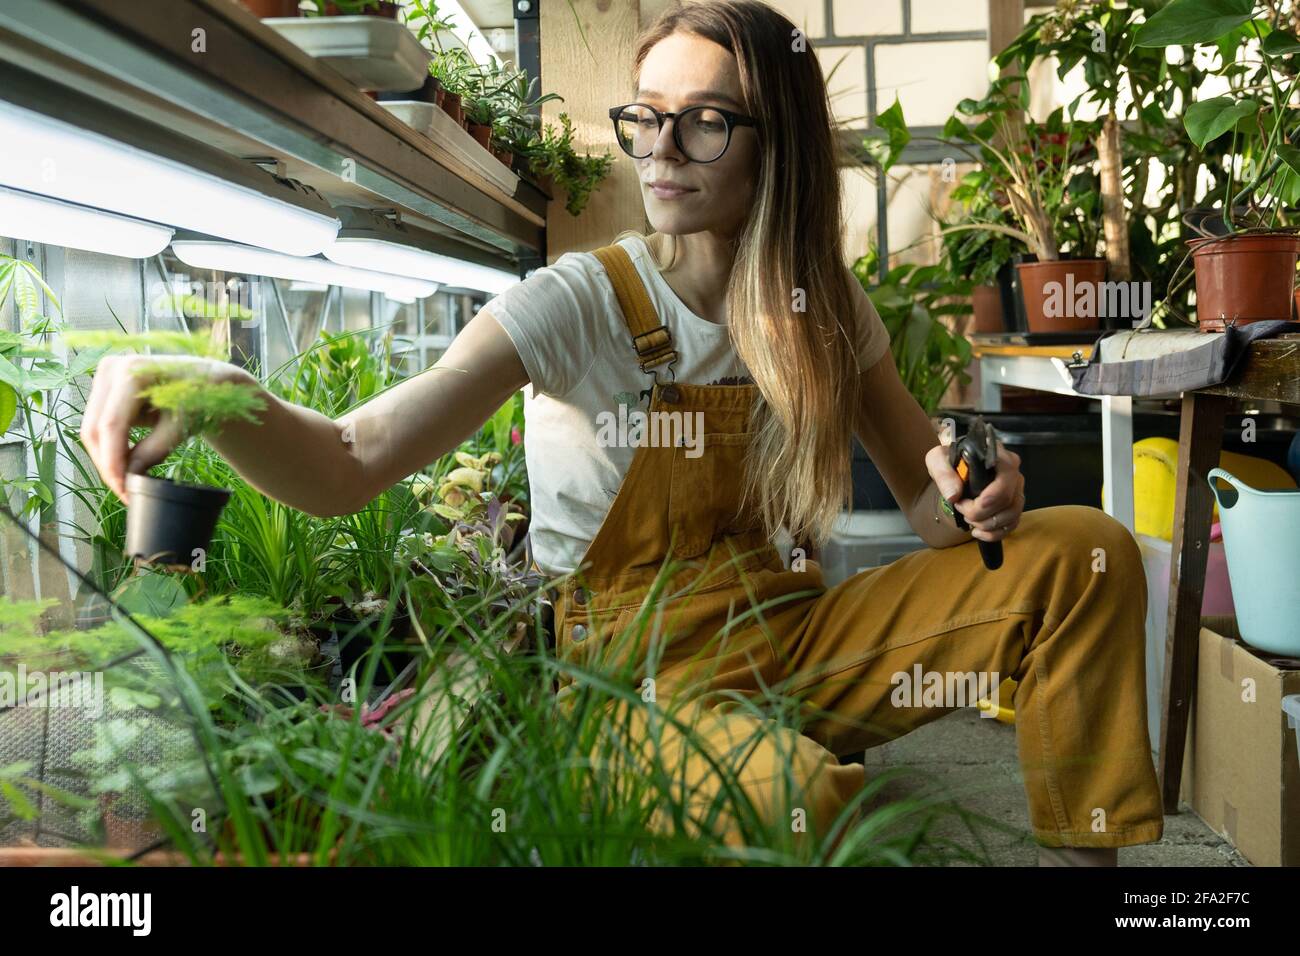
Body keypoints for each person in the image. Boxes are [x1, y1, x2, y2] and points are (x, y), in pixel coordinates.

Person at [79, 0, 1163, 865]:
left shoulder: (821, 306)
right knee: (810, 805)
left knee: (1087, 552)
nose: (660, 147)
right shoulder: (576, 302)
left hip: (793, 638)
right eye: (646, 113)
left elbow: (931, 515)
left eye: (703, 119)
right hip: (629, 682)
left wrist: (980, 493)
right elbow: (347, 465)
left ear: (770, 142)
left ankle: (1086, 852)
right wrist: (218, 389)